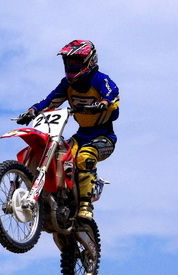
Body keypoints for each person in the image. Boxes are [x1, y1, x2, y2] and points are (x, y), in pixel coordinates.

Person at [16, 40, 120, 220]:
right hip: (81, 135)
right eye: (69, 61)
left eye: (77, 61)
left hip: (104, 137)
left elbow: (112, 92)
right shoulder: (67, 84)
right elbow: (49, 101)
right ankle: (58, 197)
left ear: (90, 60)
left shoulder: (99, 79)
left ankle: (86, 205)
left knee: (84, 157)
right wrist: (32, 111)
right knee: (57, 155)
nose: (72, 65)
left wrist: (103, 103)